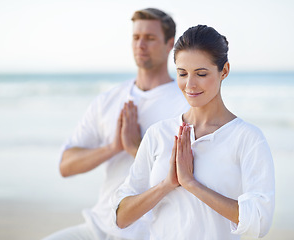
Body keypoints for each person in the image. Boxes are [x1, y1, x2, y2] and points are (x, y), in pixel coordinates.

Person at [113, 25, 275, 240]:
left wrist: (191, 184)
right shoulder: (158, 134)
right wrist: (167, 184)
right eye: (182, 73)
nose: (189, 84)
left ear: (224, 71)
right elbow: (122, 217)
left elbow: (259, 222)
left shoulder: (247, 138)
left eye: (201, 73)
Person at [43, 8, 189, 240]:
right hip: (99, 226)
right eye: (136, 37)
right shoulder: (108, 100)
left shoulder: (185, 103)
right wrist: (113, 147)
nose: (141, 44)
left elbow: (185, 176)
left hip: (149, 233)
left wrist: (135, 148)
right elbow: (65, 165)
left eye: (150, 38)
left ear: (169, 44)